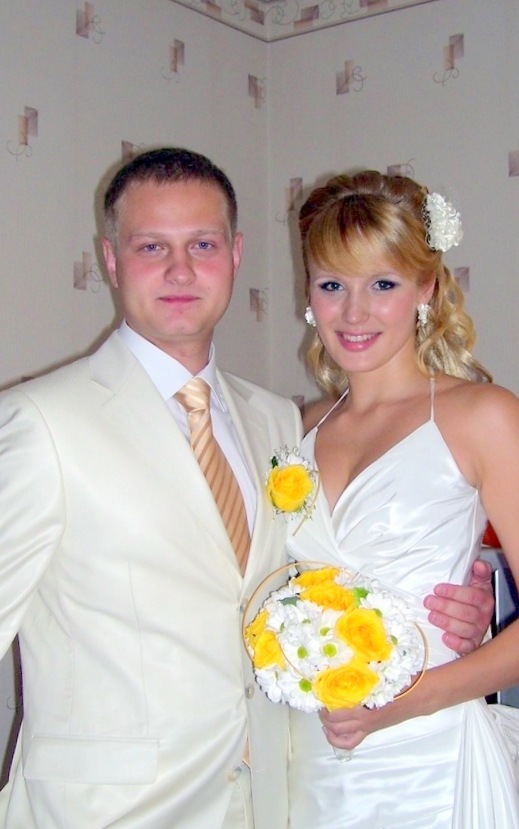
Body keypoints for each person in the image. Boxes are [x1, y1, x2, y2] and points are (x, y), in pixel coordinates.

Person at [0, 149, 493, 829]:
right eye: (151, 246)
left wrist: (457, 611)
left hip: (274, 796)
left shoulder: (276, 422)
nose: (180, 270)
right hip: (104, 811)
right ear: (111, 260)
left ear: (234, 255)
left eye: (202, 245)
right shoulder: (42, 422)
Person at [286, 169, 519, 828]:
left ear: (426, 288)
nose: (353, 313)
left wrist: (405, 700)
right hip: (308, 767)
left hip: (429, 765)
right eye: (332, 285)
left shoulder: (482, 415)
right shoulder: (295, 429)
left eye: (382, 285)